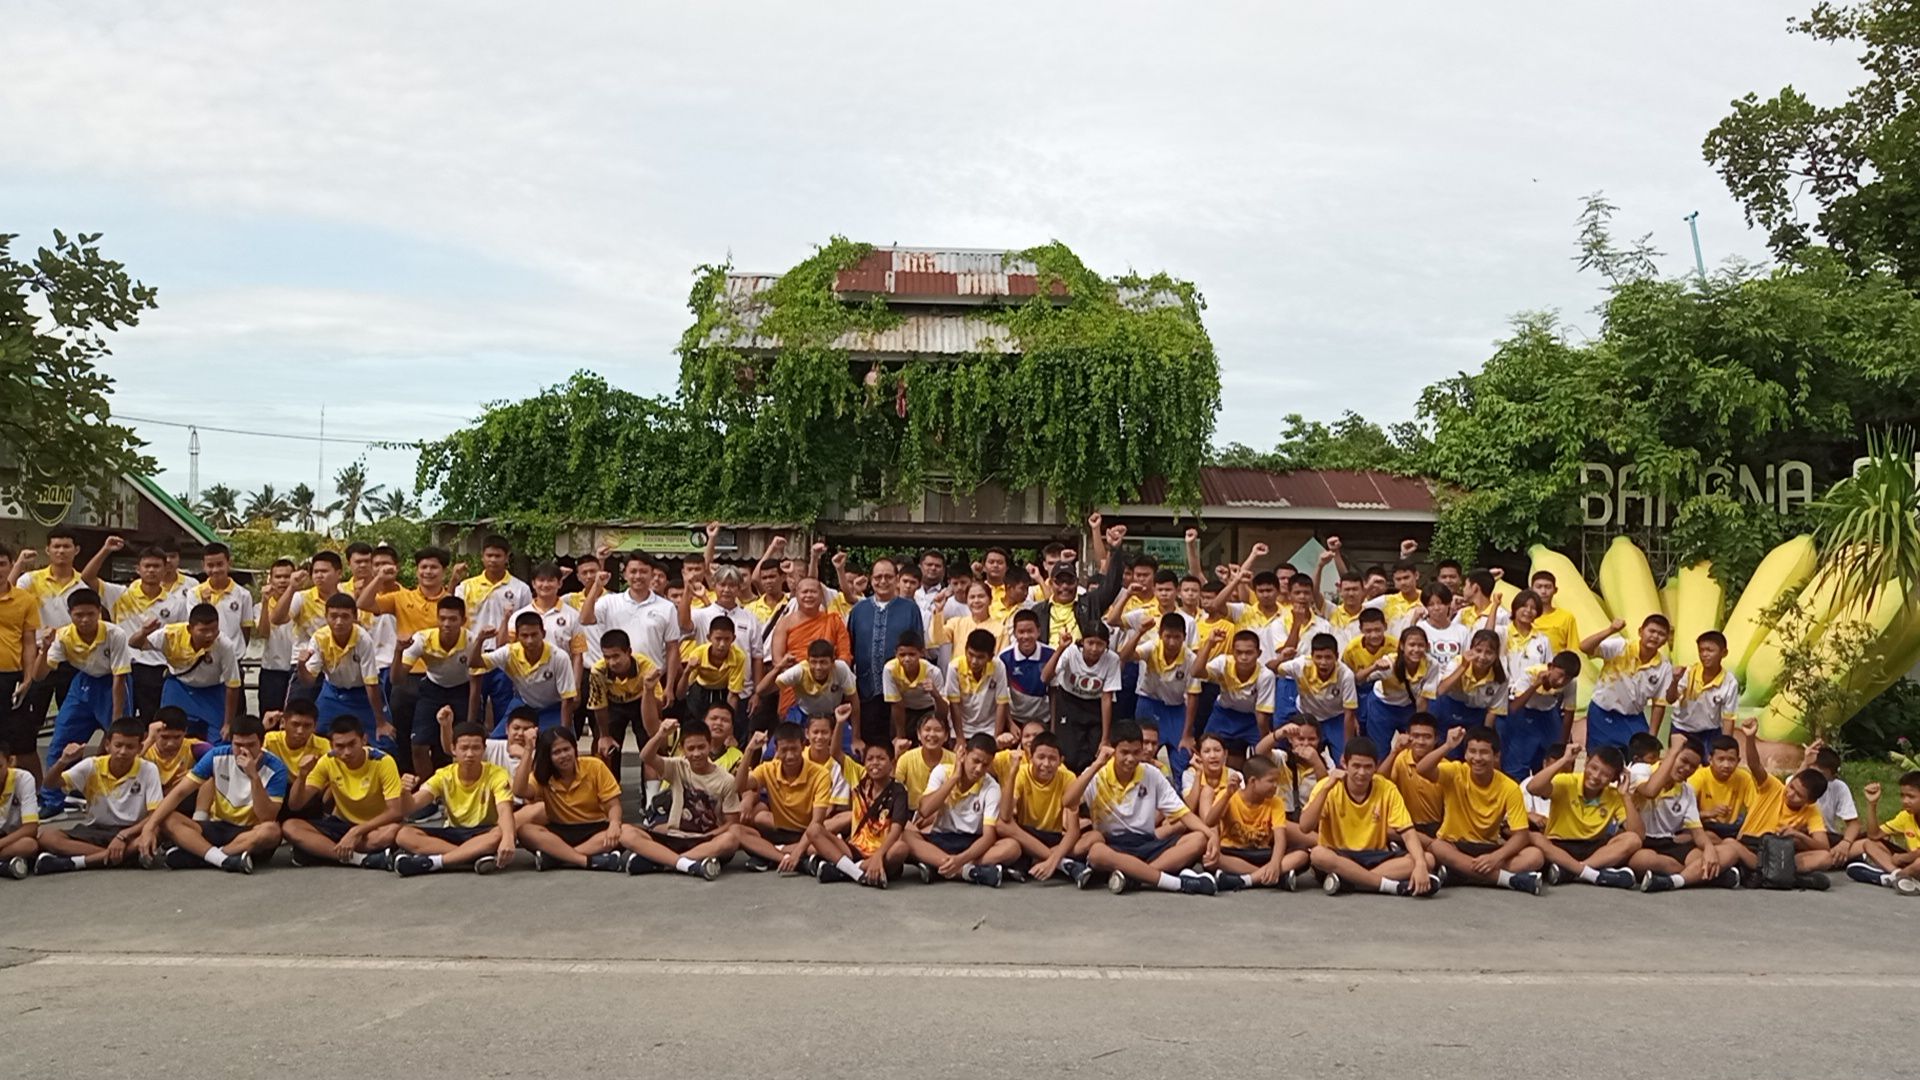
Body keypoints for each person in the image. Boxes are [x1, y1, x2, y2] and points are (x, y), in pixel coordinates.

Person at [1069, 724, 1219, 895]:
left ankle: (1135, 876)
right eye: (1124, 752)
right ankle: (1177, 883)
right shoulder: (1097, 773)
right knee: (1096, 853)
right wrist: (1096, 765)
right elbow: (1068, 801)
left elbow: (1183, 813)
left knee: (1198, 839)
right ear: (1112, 750)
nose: (1131, 759)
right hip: (1114, 844)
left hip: (1147, 842)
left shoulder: (1152, 774)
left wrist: (1210, 834)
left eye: (1136, 752)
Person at [25, 588, 129, 818]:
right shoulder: (63, 636)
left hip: (112, 682)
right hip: (82, 683)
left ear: (99, 613)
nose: (85, 620)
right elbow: (39, 676)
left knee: (118, 742)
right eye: (79, 615)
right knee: (61, 741)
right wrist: (43, 650)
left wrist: (117, 718)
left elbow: (119, 678)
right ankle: (53, 799)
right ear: (70, 614)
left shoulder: (115, 634)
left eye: (90, 614)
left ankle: (111, 798)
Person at [139, 713, 285, 873]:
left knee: (271, 831)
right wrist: (149, 827)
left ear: (261, 743)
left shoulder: (276, 768)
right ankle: (224, 859)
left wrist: (254, 777)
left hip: (250, 832)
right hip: (218, 825)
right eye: (238, 745)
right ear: (231, 741)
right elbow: (179, 792)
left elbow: (267, 816)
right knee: (167, 818)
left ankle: (202, 856)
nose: (244, 751)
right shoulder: (217, 755)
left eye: (251, 745)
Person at [1415, 726, 1546, 894]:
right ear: (1465, 754)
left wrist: (1495, 858)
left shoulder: (1509, 787)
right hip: (1453, 844)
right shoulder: (1456, 771)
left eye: (1484, 752)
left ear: (1496, 756)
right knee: (1437, 848)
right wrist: (1448, 745)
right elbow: (1422, 769)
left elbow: (1521, 835)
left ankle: (1458, 875)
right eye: (1472, 752)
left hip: (1488, 847)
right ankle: (1508, 880)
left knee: (1535, 855)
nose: (1477, 758)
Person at [1302, 736, 1437, 897]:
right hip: (1339, 855)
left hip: (1376, 855)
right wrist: (1325, 789)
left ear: (1376, 766)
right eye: (1356, 766)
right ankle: (1390, 886)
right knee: (1318, 855)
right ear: (1344, 763)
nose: (1362, 773)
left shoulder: (1386, 788)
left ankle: (1351, 881)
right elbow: (1305, 826)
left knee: (1427, 859)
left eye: (1368, 767)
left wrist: (1421, 865)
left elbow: (1408, 833)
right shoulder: (1327, 785)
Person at [34, 718, 163, 873]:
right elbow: (50, 784)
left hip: (132, 830)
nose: (122, 751)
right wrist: (63, 761)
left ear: (139, 748)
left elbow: (155, 815)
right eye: (118, 745)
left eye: (130, 747)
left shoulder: (149, 769)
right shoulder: (92, 765)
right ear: (107, 745)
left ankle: (78, 862)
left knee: (154, 832)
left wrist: (123, 836)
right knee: (48, 837)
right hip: (96, 829)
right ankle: (122, 858)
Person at [1716, 717, 1832, 886]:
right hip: (1752, 847)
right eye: (1791, 787)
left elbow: (1824, 846)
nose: (1790, 794)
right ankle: (1783, 876)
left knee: (1825, 858)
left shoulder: (1812, 810)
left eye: (1798, 795)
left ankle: (1766, 875)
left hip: (1780, 853)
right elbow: (1755, 766)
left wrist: (1798, 834)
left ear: (1810, 801)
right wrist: (1750, 738)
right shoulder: (1774, 787)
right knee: (1729, 844)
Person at [282, 716, 404, 870]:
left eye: (352, 744)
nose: (347, 752)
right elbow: (295, 804)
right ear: (332, 746)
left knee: (393, 832)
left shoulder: (383, 761)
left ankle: (319, 851)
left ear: (364, 740)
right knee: (290, 826)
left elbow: (395, 812)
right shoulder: (328, 761)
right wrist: (302, 775)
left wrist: (357, 831)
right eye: (340, 746)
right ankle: (358, 859)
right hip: (341, 824)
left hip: (374, 827)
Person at [511, 726, 636, 872]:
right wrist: (528, 749)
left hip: (594, 828)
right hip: (560, 830)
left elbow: (613, 805)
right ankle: (585, 860)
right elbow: (519, 791)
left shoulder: (595, 766)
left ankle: (558, 858)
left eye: (566, 749)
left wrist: (615, 823)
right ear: (547, 756)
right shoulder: (542, 775)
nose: (563, 755)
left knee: (623, 832)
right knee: (525, 831)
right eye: (556, 752)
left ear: (574, 749)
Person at [86, 540, 186, 720]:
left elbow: (180, 640)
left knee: (153, 721)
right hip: (126, 667)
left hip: (158, 669)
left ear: (165, 569)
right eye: (147, 566)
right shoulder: (120, 594)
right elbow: (87, 577)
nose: (151, 570)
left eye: (156, 566)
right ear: (138, 569)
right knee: (122, 721)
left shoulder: (176, 603)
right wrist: (105, 549)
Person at [1627, 733, 1740, 891]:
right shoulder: (1642, 770)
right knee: (1642, 860)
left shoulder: (1686, 791)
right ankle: (1701, 876)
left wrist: (1709, 850)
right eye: (1683, 761)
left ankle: (1675, 880)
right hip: (1642, 841)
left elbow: (1698, 832)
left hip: (1669, 842)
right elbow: (1650, 791)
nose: (1687, 769)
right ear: (1670, 755)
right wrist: (1674, 750)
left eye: (1693, 766)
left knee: (1729, 852)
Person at [904, 732, 1020, 886]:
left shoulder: (992, 787)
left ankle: (939, 866)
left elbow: (988, 837)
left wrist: (961, 859)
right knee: (905, 835)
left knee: (1012, 847)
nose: (979, 769)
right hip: (941, 838)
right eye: (975, 761)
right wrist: (954, 778)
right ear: (964, 754)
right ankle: (968, 872)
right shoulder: (942, 772)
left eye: (985, 765)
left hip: (973, 844)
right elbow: (925, 810)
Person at [1525, 743, 1642, 887]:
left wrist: (1626, 796)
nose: (1596, 776)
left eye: (1605, 774)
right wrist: (1564, 760)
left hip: (1594, 850)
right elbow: (1532, 788)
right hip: (1559, 845)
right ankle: (1591, 874)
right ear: (1586, 763)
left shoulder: (1615, 795)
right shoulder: (1566, 781)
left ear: (1614, 779)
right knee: (1534, 837)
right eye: (1593, 768)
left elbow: (1638, 835)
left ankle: (1572, 871)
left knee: (1632, 839)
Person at [635, 716, 737, 878]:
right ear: (682, 749)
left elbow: (732, 823)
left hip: (705, 841)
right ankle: (686, 863)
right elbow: (646, 757)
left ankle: (664, 862)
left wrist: (708, 836)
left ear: (709, 745)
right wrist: (661, 733)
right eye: (691, 748)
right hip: (674, 836)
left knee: (730, 840)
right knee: (626, 832)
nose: (696, 754)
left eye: (701, 747)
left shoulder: (726, 780)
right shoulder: (677, 766)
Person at [130, 603, 242, 741]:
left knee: (218, 740)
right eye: (203, 630)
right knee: (167, 735)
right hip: (179, 689)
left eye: (214, 630)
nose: (210, 635)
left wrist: (228, 723)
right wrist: (143, 632)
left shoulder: (224, 645)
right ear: (190, 628)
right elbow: (134, 643)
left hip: (212, 692)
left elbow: (233, 685)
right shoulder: (170, 634)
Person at [806, 740, 909, 887]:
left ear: (892, 763)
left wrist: (878, 855)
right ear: (864, 762)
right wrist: (840, 722)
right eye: (870, 759)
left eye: (881, 759)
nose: (875, 763)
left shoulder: (899, 791)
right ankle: (858, 874)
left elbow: (896, 829)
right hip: (852, 848)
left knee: (901, 849)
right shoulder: (859, 779)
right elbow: (835, 752)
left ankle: (843, 869)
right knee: (814, 830)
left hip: (882, 851)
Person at [732, 723, 832, 872]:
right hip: (778, 832)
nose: (790, 755)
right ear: (776, 749)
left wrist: (798, 851)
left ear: (803, 746)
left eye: (794, 749)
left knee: (821, 847)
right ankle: (789, 860)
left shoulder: (820, 774)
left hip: (807, 834)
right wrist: (749, 749)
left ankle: (769, 854)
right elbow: (739, 787)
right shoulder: (768, 769)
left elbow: (817, 822)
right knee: (736, 831)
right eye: (784, 750)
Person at [300, 593, 395, 745]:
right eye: (334, 616)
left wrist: (380, 722)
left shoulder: (362, 639)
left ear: (355, 616)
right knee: (316, 737)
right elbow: (309, 681)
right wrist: (301, 665)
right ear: (326, 617)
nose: (339, 622)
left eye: (345, 616)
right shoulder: (319, 638)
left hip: (363, 693)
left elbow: (370, 682)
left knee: (384, 739)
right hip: (332, 692)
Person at [396, 594, 473, 779]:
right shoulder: (423, 639)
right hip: (432, 689)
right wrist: (398, 651)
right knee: (418, 745)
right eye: (443, 618)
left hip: (462, 689)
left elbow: (477, 684)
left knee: (462, 743)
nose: (447, 624)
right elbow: (397, 679)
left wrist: (471, 719)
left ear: (463, 621)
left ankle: (459, 786)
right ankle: (428, 792)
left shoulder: (471, 641)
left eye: (453, 619)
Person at [847, 555, 923, 739]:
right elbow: (850, 648)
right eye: (878, 577)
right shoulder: (859, 610)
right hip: (866, 689)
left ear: (897, 579)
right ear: (870, 580)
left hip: (901, 691)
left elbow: (919, 648)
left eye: (888, 577)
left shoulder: (910, 609)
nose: (883, 581)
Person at [1207, 755, 1309, 891]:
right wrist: (1226, 796)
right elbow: (1209, 821)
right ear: (1253, 781)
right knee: (1212, 859)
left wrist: (1274, 863)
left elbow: (1280, 839)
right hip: (1233, 852)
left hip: (1262, 853)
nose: (1275, 786)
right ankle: (1272, 878)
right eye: (1271, 781)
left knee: (1303, 855)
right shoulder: (1229, 795)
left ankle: (1247, 880)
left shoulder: (1276, 802)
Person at [993, 733, 1084, 883]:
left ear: (1061, 761)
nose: (1046, 764)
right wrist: (1013, 771)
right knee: (1002, 825)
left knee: (1094, 838)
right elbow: (1005, 815)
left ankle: (1036, 859)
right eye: (1041, 757)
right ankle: (1064, 864)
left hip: (1053, 837)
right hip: (1026, 834)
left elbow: (1073, 830)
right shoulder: (1022, 773)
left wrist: (1053, 859)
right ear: (1030, 757)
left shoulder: (1068, 777)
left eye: (1052, 759)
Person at [470, 609, 578, 735]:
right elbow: (474, 663)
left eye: (534, 635)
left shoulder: (559, 657)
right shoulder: (509, 652)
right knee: (495, 741)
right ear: (516, 636)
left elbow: (567, 699)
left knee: (555, 743)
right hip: (523, 704)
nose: (530, 641)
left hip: (553, 707)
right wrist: (480, 640)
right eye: (524, 636)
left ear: (543, 634)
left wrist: (564, 732)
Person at [1579, 614, 1674, 751]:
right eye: (1651, 631)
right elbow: (1584, 647)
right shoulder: (1620, 646)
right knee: (1600, 757)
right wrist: (1610, 630)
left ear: (1665, 640)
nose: (1655, 636)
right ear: (1641, 631)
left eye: (1661, 634)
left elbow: (1659, 704)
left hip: (1633, 718)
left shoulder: (1664, 667)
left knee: (1643, 755)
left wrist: (1651, 737)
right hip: (1603, 712)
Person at [1121, 611, 1195, 780]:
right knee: (1142, 755)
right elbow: (1124, 656)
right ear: (1160, 634)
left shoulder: (1191, 658)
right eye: (1167, 636)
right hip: (1149, 703)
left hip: (1176, 710)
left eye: (1177, 637)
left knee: (1182, 760)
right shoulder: (1152, 647)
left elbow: (1193, 697)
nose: (1171, 642)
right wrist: (1139, 632)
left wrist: (1187, 734)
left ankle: (1179, 798)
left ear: (1184, 637)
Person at [1187, 628, 1275, 766]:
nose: (1244, 657)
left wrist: (1265, 740)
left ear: (1259, 654)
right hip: (1223, 714)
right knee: (1205, 749)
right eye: (1239, 652)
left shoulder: (1266, 676)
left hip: (1252, 719)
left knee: (1264, 758)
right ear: (1232, 652)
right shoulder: (1223, 662)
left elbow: (1262, 716)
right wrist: (1210, 643)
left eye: (1249, 653)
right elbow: (1196, 672)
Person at [585, 629, 662, 770]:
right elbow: (599, 705)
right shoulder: (598, 671)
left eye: (616, 656)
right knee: (605, 748)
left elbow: (658, 705)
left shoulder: (647, 666)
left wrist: (648, 689)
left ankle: (650, 789)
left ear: (629, 652)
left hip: (641, 703)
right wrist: (604, 736)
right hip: (613, 705)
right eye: (607, 657)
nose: (612, 662)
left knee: (651, 744)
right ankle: (610, 787)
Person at [1277, 633, 1360, 762]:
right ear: (1311, 656)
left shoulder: (1346, 675)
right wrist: (1280, 659)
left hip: (1335, 718)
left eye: (1328, 657)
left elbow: (1349, 714)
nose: (1323, 662)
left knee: (1343, 761)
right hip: (1307, 717)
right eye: (1318, 657)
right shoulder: (1301, 665)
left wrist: (1347, 749)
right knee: (1300, 759)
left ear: (1337, 657)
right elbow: (1271, 668)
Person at [1503, 651, 1580, 781]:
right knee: (1517, 763)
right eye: (1559, 675)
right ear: (1550, 667)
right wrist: (1536, 684)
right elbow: (1514, 707)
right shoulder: (1530, 673)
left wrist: (1561, 746)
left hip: (1548, 714)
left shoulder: (1571, 683)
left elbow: (1569, 713)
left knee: (1550, 758)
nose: (1561, 682)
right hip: (1524, 712)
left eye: (1567, 679)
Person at [1427, 629, 1508, 754]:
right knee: (1445, 754)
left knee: (1471, 754)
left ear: (1496, 655)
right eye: (1478, 651)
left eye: (1489, 653)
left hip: (1475, 716)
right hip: (1447, 709)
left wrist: (1484, 737)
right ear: (1470, 650)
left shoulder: (1501, 677)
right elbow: (1441, 690)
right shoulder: (1458, 662)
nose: (1482, 657)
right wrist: (1464, 666)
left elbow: (1493, 710)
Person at [1359, 627, 1430, 752]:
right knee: (1379, 751)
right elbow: (1359, 679)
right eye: (1412, 645)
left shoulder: (1431, 665)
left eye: (1421, 645)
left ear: (1427, 647)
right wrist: (1374, 667)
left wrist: (1418, 724)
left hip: (1408, 707)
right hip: (1382, 707)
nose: (1416, 650)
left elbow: (1423, 700)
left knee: (1414, 748)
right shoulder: (1390, 663)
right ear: (1402, 646)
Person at [766, 639, 858, 736]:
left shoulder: (841, 669)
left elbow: (854, 702)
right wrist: (778, 667)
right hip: (803, 714)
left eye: (823, 662)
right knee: (781, 744)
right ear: (808, 661)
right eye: (814, 662)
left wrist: (856, 738)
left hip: (833, 716)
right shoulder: (799, 671)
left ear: (833, 662)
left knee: (849, 749)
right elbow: (762, 690)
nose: (818, 667)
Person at [1847, 774, 1920, 893]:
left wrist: (1903, 858)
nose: (1905, 801)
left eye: (1911, 797)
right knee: (1869, 844)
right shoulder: (1906, 816)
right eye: (1902, 795)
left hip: (1914, 863)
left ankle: (1894, 877)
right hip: (1910, 865)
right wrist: (1872, 804)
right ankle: (1899, 877)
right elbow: (1874, 835)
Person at [1666, 630, 1740, 742]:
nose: (1704, 654)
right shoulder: (1689, 672)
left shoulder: (1729, 682)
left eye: (1710, 650)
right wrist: (1674, 681)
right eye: (1701, 650)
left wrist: (1726, 746)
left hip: (1710, 733)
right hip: (1682, 729)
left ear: (1724, 653)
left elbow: (1728, 718)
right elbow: (1670, 699)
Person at [675, 614, 749, 725]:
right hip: (700, 692)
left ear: (733, 639)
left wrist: (730, 724)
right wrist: (687, 671)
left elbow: (733, 695)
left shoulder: (739, 657)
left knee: (721, 724)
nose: (722, 644)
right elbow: (680, 694)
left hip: (723, 692)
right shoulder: (698, 654)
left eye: (727, 639)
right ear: (709, 637)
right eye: (718, 639)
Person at [879, 630, 944, 752]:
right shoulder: (890, 669)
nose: (907, 659)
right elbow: (896, 705)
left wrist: (935, 694)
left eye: (912, 654)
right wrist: (900, 737)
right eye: (902, 655)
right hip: (904, 710)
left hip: (928, 709)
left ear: (922, 653)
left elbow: (943, 711)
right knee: (901, 746)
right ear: (896, 654)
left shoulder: (933, 672)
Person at [1382, 715, 1445, 836]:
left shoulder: (1445, 766)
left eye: (1427, 737)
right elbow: (1380, 781)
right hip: (1405, 825)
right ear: (1407, 735)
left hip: (1435, 827)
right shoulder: (1400, 758)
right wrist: (1394, 751)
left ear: (1436, 739)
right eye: (1416, 736)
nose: (1421, 742)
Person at [945, 629, 1011, 744]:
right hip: (961, 729)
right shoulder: (954, 667)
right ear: (965, 650)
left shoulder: (998, 667)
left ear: (990, 657)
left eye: (980, 657)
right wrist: (960, 738)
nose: (974, 661)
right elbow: (954, 705)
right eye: (970, 655)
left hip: (989, 728)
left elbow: (1001, 704)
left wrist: (996, 737)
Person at [191, 543, 255, 656]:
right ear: (203, 566)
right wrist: (204, 603)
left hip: (234, 655)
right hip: (205, 656)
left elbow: (246, 629)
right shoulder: (194, 593)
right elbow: (196, 627)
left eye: (220, 564)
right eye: (210, 565)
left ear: (229, 563)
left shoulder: (243, 594)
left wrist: (239, 651)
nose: (215, 570)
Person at [1803, 740, 1861, 868]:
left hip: (1827, 837)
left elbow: (1854, 824)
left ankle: (1833, 858)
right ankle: (1830, 860)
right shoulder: (1796, 782)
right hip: (1801, 836)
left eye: (1822, 775)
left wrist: (1845, 844)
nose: (1815, 778)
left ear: (1832, 776)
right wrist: (1805, 762)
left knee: (1866, 844)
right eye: (1813, 772)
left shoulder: (1839, 787)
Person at [1689, 733, 1757, 840]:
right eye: (1721, 759)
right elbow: (1684, 815)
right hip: (1704, 827)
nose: (1726, 765)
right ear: (1710, 759)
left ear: (1738, 761)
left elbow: (1755, 811)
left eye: (1731, 760)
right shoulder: (1699, 777)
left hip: (1732, 828)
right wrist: (1709, 813)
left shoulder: (1744, 778)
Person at [1001, 609, 1055, 733]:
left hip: (1043, 718)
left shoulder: (1051, 655)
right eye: (1021, 632)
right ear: (1014, 633)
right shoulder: (1004, 657)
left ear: (1038, 632)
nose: (1025, 636)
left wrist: (1053, 726)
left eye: (1030, 631)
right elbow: (1001, 695)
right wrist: (1009, 724)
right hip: (1015, 719)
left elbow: (1054, 693)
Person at [255, 558, 298, 714]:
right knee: (269, 718)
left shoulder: (300, 602)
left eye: (287, 577)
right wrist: (265, 603)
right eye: (278, 577)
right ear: (270, 579)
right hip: (272, 671)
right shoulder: (259, 607)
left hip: (297, 671)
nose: (282, 581)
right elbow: (263, 633)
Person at [895, 713, 956, 806]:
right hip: (910, 812)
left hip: (943, 812)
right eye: (927, 729)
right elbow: (895, 787)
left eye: (938, 730)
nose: (932, 734)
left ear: (946, 736)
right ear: (919, 734)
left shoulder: (955, 760)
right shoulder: (906, 759)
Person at [140, 709, 197, 794]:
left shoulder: (193, 746)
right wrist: (150, 739)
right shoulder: (146, 749)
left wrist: (196, 772)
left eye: (177, 737)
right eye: (164, 737)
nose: (170, 743)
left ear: (185, 731)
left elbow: (219, 759)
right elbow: (124, 763)